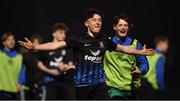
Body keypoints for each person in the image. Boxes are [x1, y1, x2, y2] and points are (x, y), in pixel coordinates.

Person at [18, 9, 154, 100]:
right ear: (86, 23)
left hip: (100, 84)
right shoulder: (77, 39)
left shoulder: (104, 40)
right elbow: (54, 45)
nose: (98, 22)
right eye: (94, 20)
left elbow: (124, 49)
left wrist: (140, 51)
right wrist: (35, 47)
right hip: (82, 85)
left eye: (100, 20)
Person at [103, 14, 149, 100]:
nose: (123, 28)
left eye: (125, 25)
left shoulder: (136, 44)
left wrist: (140, 71)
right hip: (113, 88)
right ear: (114, 27)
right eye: (120, 25)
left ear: (128, 28)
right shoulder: (106, 43)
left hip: (132, 88)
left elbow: (144, 64)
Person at [36, 23, 76, 100]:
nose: (63, 35)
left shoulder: (67, 49)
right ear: (54, 34)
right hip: (49, 82)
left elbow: (70, 64)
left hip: (63, 83)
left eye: (64, 33)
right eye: (61, 32)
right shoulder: (46, 47)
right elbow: (39, 63)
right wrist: (50, 71)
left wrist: (65, 67)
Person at [0, 32, 25, 100]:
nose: (11, 41)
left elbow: (22, 71)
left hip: (14, 91)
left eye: (13, 39)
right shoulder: (0, 55)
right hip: (1, 90)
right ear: (4, 42)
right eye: (8, 39)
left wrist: (20, 83)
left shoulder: (19, 56)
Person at [20, 34, 44, 100]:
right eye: (34, 42)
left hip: (40, 85)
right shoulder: (26, 56)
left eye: (38, 42)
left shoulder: (43, 55)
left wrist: (39, 82)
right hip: (28, 85)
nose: (36, 44)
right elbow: (21, 69)